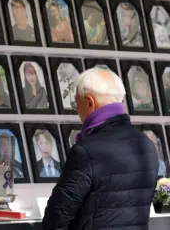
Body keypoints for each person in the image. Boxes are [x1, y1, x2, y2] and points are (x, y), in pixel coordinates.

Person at [42, 67, 158, 230]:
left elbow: (57, 217)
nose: (76, 109)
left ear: (90, 102)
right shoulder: (146, 145)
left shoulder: (87, 151)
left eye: (77, 103)